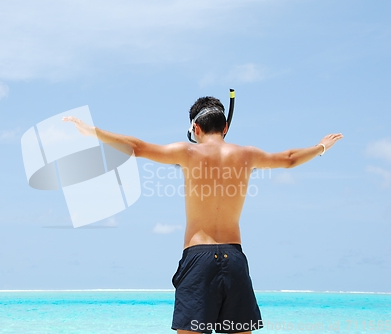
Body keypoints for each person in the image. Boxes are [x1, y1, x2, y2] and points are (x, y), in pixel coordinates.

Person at [63, 96, 343, 334]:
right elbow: (290, 158)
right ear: (226, 127)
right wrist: (321, 147)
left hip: (199, 259)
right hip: (234, 259)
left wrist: (92, 132)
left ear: (195, 128)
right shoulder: (247, 154)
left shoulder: (187, 152)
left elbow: (136, 148)